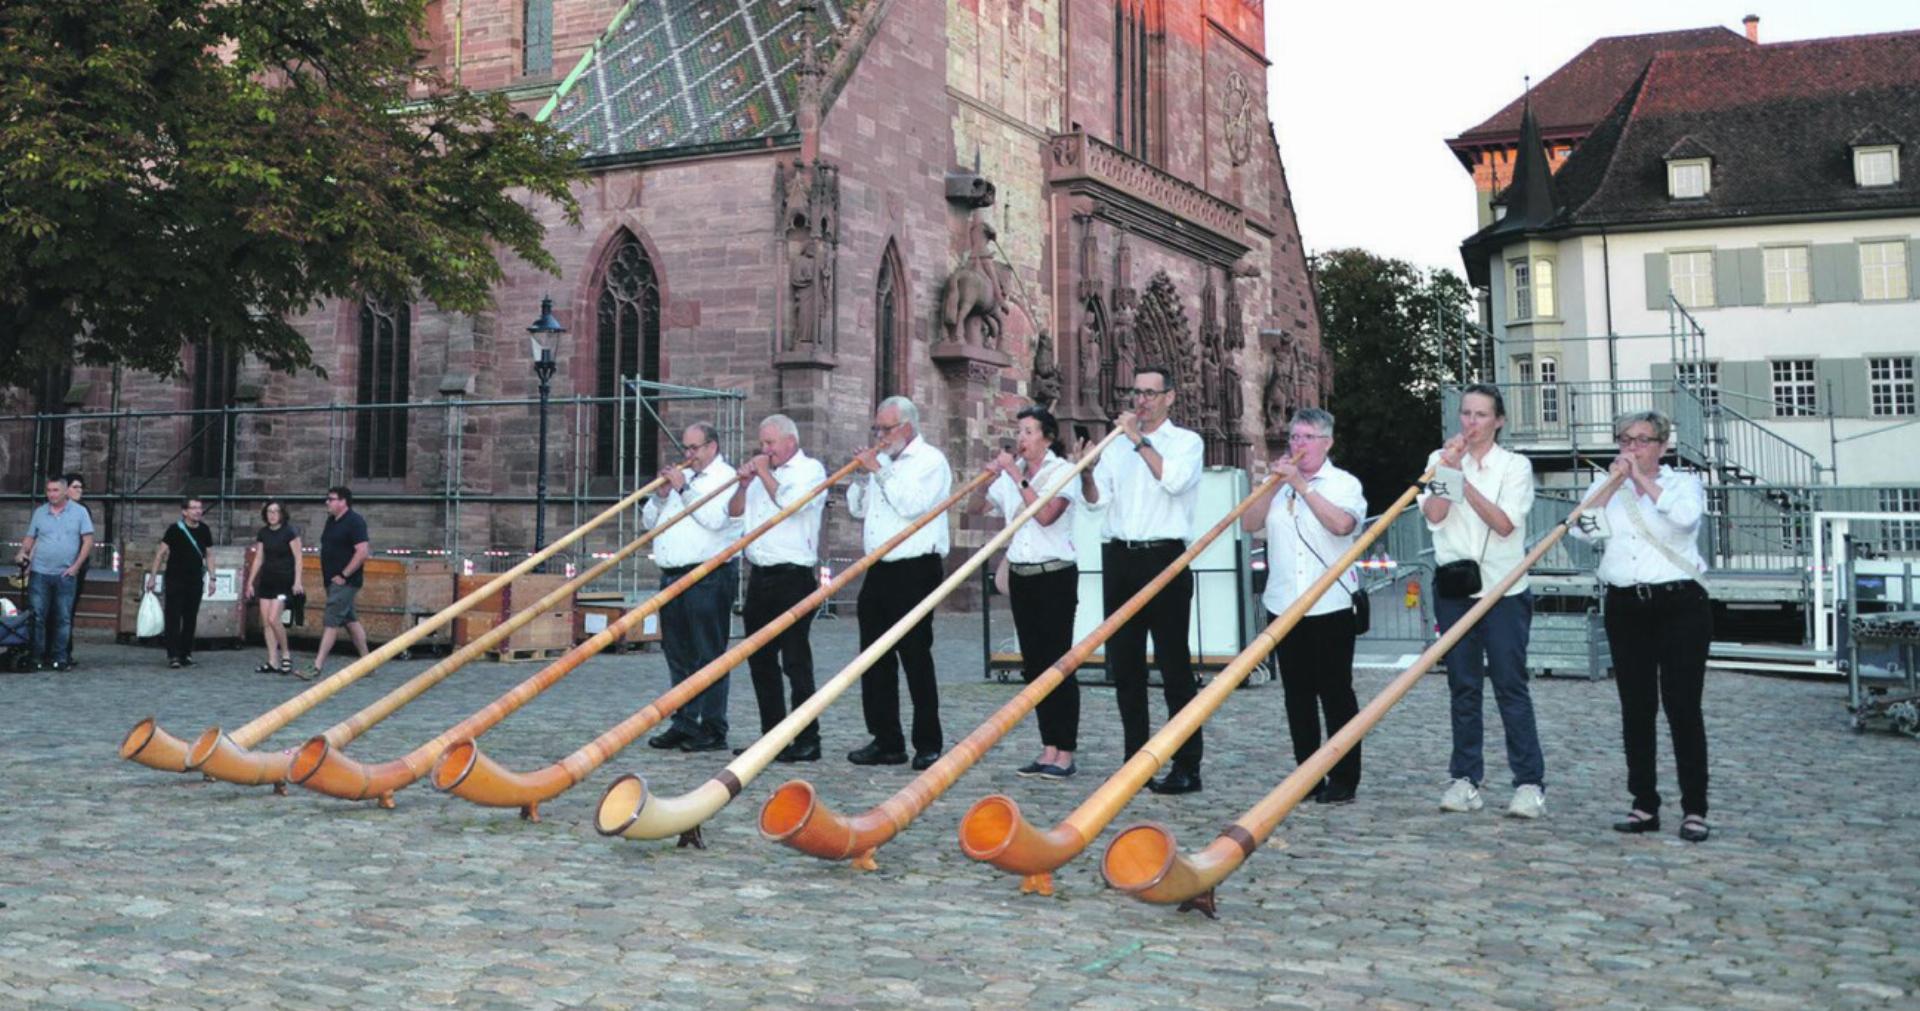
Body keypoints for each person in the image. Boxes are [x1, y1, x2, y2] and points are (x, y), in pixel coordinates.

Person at [1572, 410, 1713, 843]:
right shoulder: (1605, 486)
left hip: (1679, 604)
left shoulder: (1683, 484)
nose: (1632, 448)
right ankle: (1643, 803)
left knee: (1682, 706)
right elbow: (1583, 531)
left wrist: (1642, 482)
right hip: (1625, 604)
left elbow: (1685, 519)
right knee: (1636, 708)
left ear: (1662, 446)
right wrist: (1611, 486)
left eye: (1643, 440)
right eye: (1625, 440)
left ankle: (1694, 808)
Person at [1419, 383, 1544, 818]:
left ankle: (1529, 783)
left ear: (1498, 421)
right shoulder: (1439, 461)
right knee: (1463, 686)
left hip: (1503, 589)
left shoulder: (1515, 466)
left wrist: (1463, 481)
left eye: (1480, 415)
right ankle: (1465, 778)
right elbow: (1434, 516)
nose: (1470, 423)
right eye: (1465, 414)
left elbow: (1504, 523)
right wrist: (1447, 471)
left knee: (1510, 685)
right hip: (1455, 590)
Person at [1086, 365, 1207, 794]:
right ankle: (1134, 760)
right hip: (1120, 557)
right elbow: (1097, 503)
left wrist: (1139, 441)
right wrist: (1085, 472)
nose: (1142, 401)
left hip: (1165, 558)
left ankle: (1186, 764)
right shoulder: (1117, 446)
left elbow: (1173, 482)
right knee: (1125, 666)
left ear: (1169, 398)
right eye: (1136, 393)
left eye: (1151, 394)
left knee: (1174, 667)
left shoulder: (1187, 443)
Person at [1242, 408, 1368, 805]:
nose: (1298, 445)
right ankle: (1306, 774)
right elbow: (1249, 523)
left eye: (1307, 437)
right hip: (1284, 602)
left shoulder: (1343, 483)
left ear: (1327, 443)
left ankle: (1344, 777)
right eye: (1294, 437)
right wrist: (1270, 486)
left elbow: (1341, 525)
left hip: (1329, 603)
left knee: (1335, 692)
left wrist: (1304, 486)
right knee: (1296, 694)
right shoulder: (1280, 487)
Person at [973, 405, 1084, 779]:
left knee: (1058, 664)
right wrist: (985, 478)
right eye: (1019, 431)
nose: (1021, 439)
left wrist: (1015, 475)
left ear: (1047, 438)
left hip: (1054, 576)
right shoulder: (1012, 476)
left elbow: (1046, 514)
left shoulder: (1062, 472)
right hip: (1022, 576)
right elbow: (975, 508)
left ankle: (1065, 750)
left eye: (1029, 432)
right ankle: (1047, 747)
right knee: (1034, 667)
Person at [847, 396, 954, 770]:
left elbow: (912, 506)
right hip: (879, 568)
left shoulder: (930, 462)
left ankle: (928, 741)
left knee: (915, 655)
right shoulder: (885, 464)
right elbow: (858, 510)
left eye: (885, 428)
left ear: (907, 427)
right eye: (877, 428)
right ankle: (885, 739)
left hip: (915, 568)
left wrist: (879, 470)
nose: (880, 435)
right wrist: (863, 476)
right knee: (873, 656)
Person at [728, 414, 828, 763]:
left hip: (793, 577)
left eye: (770, 443)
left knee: (795, 661)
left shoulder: (810, 470)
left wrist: (764, 473)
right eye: (762, 443)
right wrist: (742, 484)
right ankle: (771, 738)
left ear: (790, 442)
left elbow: (790, 505)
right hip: (760, 575)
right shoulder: (759, 477)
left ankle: (807, 738)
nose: (764, 450)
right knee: (760, 660)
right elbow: (734, 514)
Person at [642, 422, 742, 753]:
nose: (688, 455)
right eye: (685, 448)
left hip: (709, 575)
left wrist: (684, 490)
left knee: (708, 654)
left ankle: (713, 728)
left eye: (694, 448)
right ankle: (684, 722)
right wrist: (661, 497)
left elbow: (715, 519)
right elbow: (649, 524)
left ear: (712, 447)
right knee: (678, 654)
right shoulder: (685, 482)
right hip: (672, 574)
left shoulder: (726, 477)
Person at [14, 477, 95, 671]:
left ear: (65, 491)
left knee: (63, 617)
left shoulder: (79, 512)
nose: (51, 494)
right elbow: (30, 537)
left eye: (55, 490)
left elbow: (88, 541)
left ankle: (60, 656)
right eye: (49, 490)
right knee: (38, 616)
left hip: (65, 573)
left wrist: (76, 566)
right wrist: (22, 552)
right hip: (40, 572)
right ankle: (37, 656)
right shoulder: (40, 513)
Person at [145, 496, 216, 670]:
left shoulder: (204, 530)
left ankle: (186, 653)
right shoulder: (175, 530)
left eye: (199, 508)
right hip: (175, 579)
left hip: (194, 580)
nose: (198, 511)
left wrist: (213, 578)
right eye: (194, 508)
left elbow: (209, 554)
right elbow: (161, 553)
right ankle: (173, 654)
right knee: (173, 617)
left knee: (190, 618)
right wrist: (153, 576)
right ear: (185, 511)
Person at [311, 486, 370, 679]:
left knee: (331, 620)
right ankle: (368, 662)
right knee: (350, 620)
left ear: (343, 501)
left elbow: (362, 552)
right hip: (331, 581)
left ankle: (317, 665)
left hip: (345, 582)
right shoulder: (331, 521)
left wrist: (344, 574)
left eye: (331, 499)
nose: (327, 502)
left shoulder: (355, 522)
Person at [245, 499, 307, 676]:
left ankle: (286, 654)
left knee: (274, 619)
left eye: (276, 511)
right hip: (267, 580)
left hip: (284, 580)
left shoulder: (290, 532)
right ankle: (273, 660)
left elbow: (298, 558)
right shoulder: (263, 533)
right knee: (266, 622)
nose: (272, 515)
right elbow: (258, 558)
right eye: (269, 512)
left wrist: (297, 581)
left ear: (282, 514)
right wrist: (250, 582)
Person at [61, 473, 91, 667]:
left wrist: (78, 565)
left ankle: (65, 651)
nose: (79, 491)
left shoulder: (83, 511)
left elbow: (86, 540)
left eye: (81, 488)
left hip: (75, 568)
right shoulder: (54, 509)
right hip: (54, 567)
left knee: (67, 611)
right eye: (76, 487)